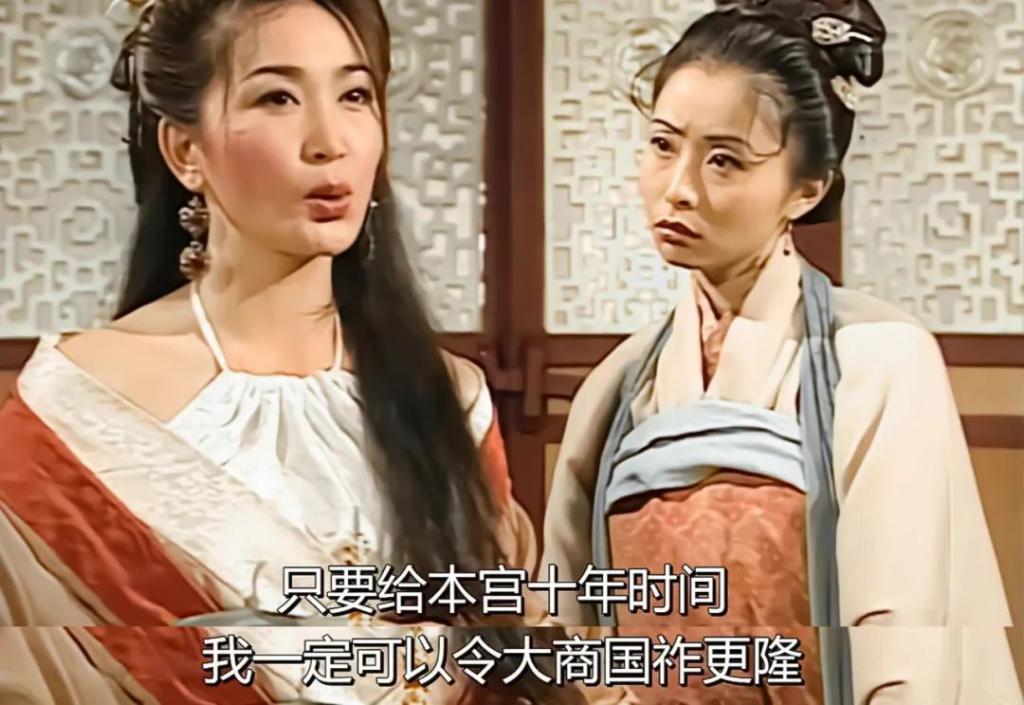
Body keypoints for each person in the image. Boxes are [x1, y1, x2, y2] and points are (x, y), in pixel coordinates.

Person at [0, 2, 614, 703]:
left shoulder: (446, 397)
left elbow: (513, 650)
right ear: (185, 151)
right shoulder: (78, 408)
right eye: (277, 98)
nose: (329, 142)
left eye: (354, 95)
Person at [541, 1, 1022, 703]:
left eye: (725, 160)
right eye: (663, 145)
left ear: (807, 189)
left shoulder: (878, 361)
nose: (678, 188)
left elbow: (908, 641)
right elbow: (572, 629)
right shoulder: (616, 387)